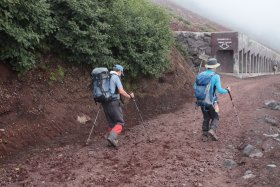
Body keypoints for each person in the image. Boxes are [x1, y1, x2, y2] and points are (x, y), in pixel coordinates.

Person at [195, 58, 230, 142]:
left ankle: (204, 135)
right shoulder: (215, 76)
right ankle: (212, 130)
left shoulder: (200, 75)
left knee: (206, 117)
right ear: (214, 67)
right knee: (216, 117)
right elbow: (220, 90)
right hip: (212, 101)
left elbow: (194, 87)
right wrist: (228, 90)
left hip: (201, 100)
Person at [102, 64, 134, 148]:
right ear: (119, 71)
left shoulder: (106, 77)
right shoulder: (115, 77)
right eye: (121, 72)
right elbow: (121, 90)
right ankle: (112, 138)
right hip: (113, 102)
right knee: (120, 122)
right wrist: (129, 96)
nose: (121, 74)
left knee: (111, 123)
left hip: (104, 103)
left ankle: (110, 141)